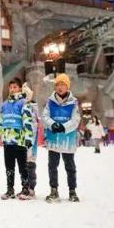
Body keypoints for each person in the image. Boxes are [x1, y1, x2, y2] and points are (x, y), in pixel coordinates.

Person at [0, 78, 34, 200]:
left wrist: (28, 138)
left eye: (15, 87)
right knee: (9, 167)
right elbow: (0, 122)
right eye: (10, 87)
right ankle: (10, 189)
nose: (12, 89)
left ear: (20, 88)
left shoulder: (23, 103)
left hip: (20, 140)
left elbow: (28, 121)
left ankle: (25, 188)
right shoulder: (5, 104)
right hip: (7, 141)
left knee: (22, 166)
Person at [43, 74, 81, 202]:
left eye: (63, 84)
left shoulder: (74, 102)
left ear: (67, 86)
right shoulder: (50, 101)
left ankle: (72, 191)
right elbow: (45, 116)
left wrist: (64, 127)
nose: (60, 87)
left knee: (70, 166)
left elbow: (76, 119)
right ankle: (54, 190)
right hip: (53, 139)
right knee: (52, 166)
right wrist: (52, 124)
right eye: (58, 84)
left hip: (67, 140)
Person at [23, 82, 39, 197]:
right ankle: (25, 187)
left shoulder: (33, 107)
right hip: (23, 141)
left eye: (27, 95)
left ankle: (31, 188)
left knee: (30, 164)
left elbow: (34, 125)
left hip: (31, 142)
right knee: (24, 165)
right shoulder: (22, 107)